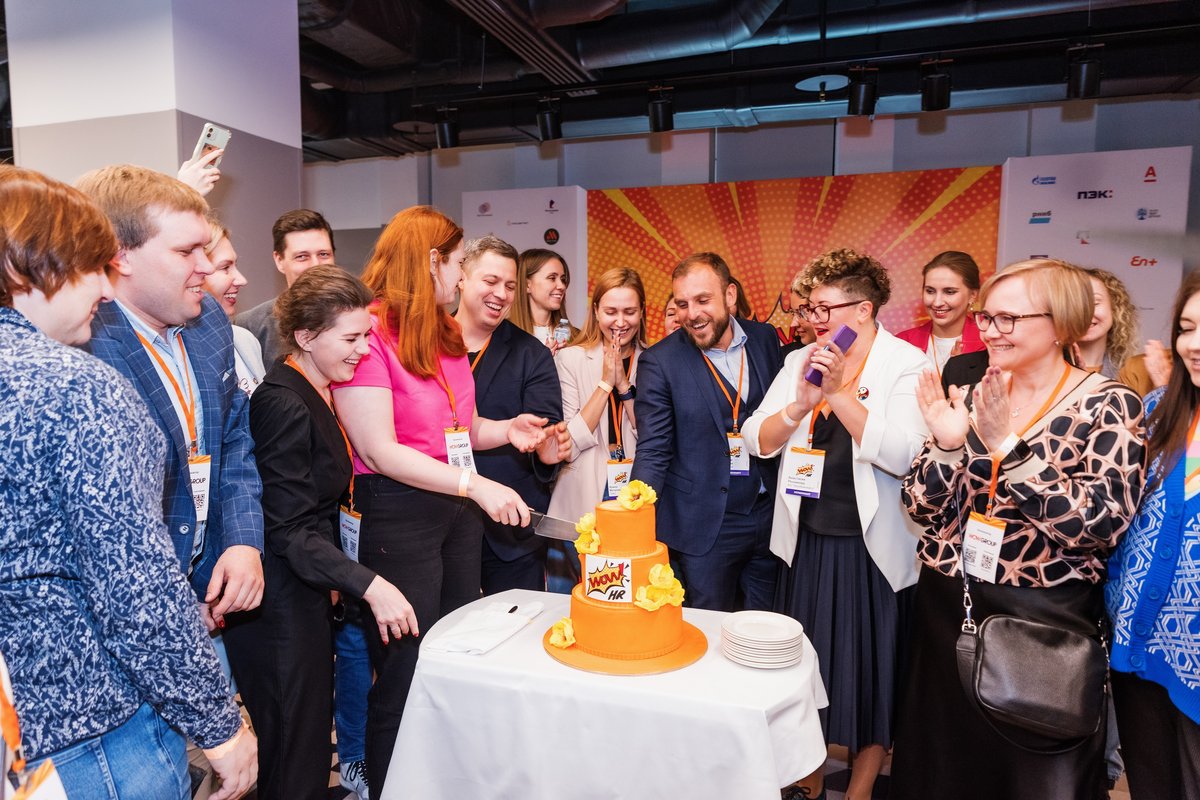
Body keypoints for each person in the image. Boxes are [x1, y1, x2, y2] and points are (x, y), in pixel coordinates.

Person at [0, 164, 256, 800]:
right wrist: (220, 727)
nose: (103, 287)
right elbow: (133, 586)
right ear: (38, 268)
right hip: (93, 722)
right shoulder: (73, 385)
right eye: (92, 267)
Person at [892, 258, 1146, 800]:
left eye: (1009, 319)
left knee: (1032, 776)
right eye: (987, 317)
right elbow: (919, 507)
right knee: (943, 767)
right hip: (950, 603)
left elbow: (1098, 525)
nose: (990, 330)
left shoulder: (1107, 402)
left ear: (1061, 323)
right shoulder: (977, 389)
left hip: (1041, 620)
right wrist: (947, 445)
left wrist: (1011, 450)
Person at [332, 206, 562, 793]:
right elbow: (379, 450)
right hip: (396, 514)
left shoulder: (446, 333)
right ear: (432, 261)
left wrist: (507, 430)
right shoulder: (369, 333)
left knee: (455, 654)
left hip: (453, 512)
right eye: (459, 263)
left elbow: (461, 428)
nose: (461, 277)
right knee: (405, 670)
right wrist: (475, 485)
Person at [742, 248, 926, 800]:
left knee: (872, 674)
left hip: (871, 549)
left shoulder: (906, 364)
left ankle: (862, 787)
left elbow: (905, 455)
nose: (813, 320)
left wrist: (839, 393)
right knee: (807, 670)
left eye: (824, 308)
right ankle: (811, 779)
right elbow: (757, 439)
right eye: (809, 309)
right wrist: (799, 406)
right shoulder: (801, 360)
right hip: (807, 541)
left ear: (863, 310)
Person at [242, 265, 418, 799]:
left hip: (307, 597)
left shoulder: (319, 390)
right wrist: (370, 584)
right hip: (279, 609)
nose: (364, 350)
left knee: (309, 747)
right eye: (351, 339)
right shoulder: (282, 402)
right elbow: (290, 530)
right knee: (294, 755)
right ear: (305, 337)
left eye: (367, 336)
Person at [78, 163, 265, 635]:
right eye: (186, 251)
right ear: (121, 257)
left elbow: (233, 439)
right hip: (125, 611)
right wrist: (170, 603)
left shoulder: (209, 321)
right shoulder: (83, 346)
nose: (206, 266)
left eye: (204, 248)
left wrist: (243, 542)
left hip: (209, 584)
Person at [631, 252, 784, 612]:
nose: (692, 314)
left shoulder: (764, 339)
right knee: (708, 628)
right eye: (682, 304)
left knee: (766, 624)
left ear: (730, 296)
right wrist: (634, 512)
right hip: (703, 525)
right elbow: (654, 448)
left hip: (769, 516)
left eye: (703, 300)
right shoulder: (660, 361)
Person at [1106, 270, 1200, 800]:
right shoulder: (1157, 412)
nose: (1195, 343)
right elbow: (1125, 526)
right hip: (1138, 650)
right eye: (1187, 328)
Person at [452, 235, 568, 594]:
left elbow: (544, 433)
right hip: (437, 523)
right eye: (491, 281)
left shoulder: (530, 354)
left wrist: (546, 451)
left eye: (510, 286)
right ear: (461, 278)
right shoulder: (426, 346)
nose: (501, 294)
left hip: (509, 533)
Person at [547, 267, 648, 592]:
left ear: (642, 311)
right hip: (580, 494)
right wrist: (606, 383)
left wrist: (625, 387)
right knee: (575, 597)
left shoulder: (655, 361)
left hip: (635, 489)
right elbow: (568, 442)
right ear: (595, 311)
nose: (620, 321)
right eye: (610, 311)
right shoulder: (570, 359)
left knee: (624, 595)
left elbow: (652, 436)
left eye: (629, 311)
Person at [236, 209, 336, 365]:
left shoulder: (359, 318)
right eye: (302, 257)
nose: (316, 265)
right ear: (279, 260)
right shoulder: (252, 325)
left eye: (323, 254)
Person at [896, 250, 985, 377]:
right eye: (930, 291)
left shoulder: (988, 343)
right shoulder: (903, 342)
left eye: (949, 292)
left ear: (972, 295)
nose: (937, 302)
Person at [203, 218, 265, 395]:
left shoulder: (244, 340)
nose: (241, 280)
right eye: (225, 267)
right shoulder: (182, 353)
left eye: (235, 266)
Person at [511, 248, 576, 353]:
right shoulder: (503, 335)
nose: (562, 286)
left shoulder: (577, 336)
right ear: (527, 285)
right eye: (552, 278)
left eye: (563, 279)